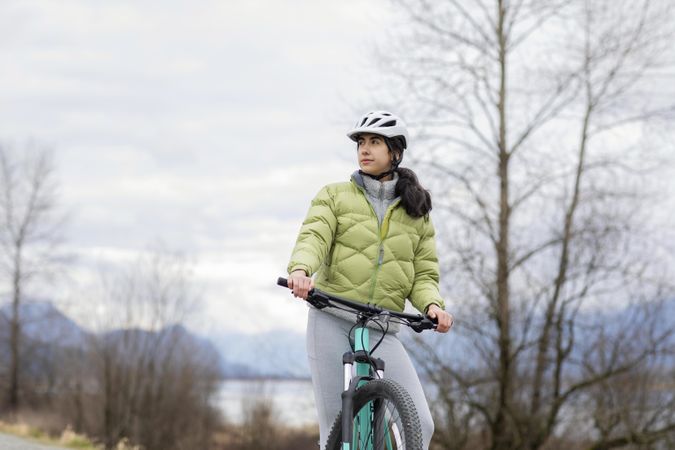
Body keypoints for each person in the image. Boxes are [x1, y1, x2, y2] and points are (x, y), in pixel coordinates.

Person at [285, 110, 454, 449]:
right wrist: (301, 271)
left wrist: (433, 305)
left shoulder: (415, 212)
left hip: (382, 326)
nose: (365, 149)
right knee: (336, 427)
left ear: (396, 152)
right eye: (361, 142)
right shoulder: (335, 196)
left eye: (375, 142)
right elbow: (314, 237)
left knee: (420, 422)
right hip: (332, 317)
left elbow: (423, 272)